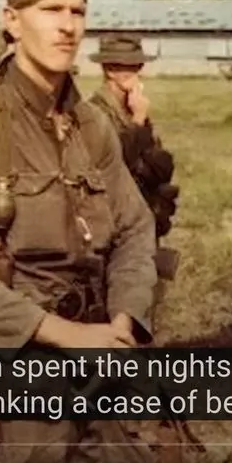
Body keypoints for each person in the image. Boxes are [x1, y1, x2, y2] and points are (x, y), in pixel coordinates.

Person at [0, 0, 194, 463]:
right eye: (50, 10)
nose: (68, 25)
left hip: (103, 371)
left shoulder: (93, 127)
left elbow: (136, 229)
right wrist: (67, 335)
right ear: (11, 20)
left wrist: (124, 321)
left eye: (78, 11)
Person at [86, 34, 181, 304]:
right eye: (129, 66)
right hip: (113, 224)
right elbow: (114, 164)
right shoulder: (95, 113)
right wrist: (138, 121)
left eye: (138, 65)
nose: (137, 71)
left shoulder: (130, 108)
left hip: (142, 215)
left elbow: (161, 163)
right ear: (110, 70)